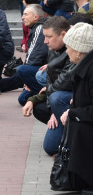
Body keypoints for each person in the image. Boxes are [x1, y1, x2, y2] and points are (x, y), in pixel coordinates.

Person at [21, 16, 73, 155]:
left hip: (71, 100)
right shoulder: (53, 49)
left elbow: (62, 85)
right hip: (61, 97)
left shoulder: (74, 51)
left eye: (49, 36)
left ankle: (73, 138)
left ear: (63, 34)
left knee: (50, 148)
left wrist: (55, 110)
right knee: (39, 107)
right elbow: (51, 80)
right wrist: (38, 102)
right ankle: (65, 133)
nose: (45, 41)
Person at [59, 22, 93, 195]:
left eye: (68, 47)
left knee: (80, 125)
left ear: (79, 51)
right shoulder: (85, 67)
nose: (66, 51)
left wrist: (74, 113)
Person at [0, 4, 48, 105]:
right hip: (39, 68)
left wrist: (27, 77)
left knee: (22, 70)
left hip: (43, 70)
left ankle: (47, 94)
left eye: (26, 14)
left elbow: (35, 55)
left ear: (36, 17)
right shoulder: (35, 27)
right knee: (22, 99)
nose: (22, 17)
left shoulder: (39, 28)